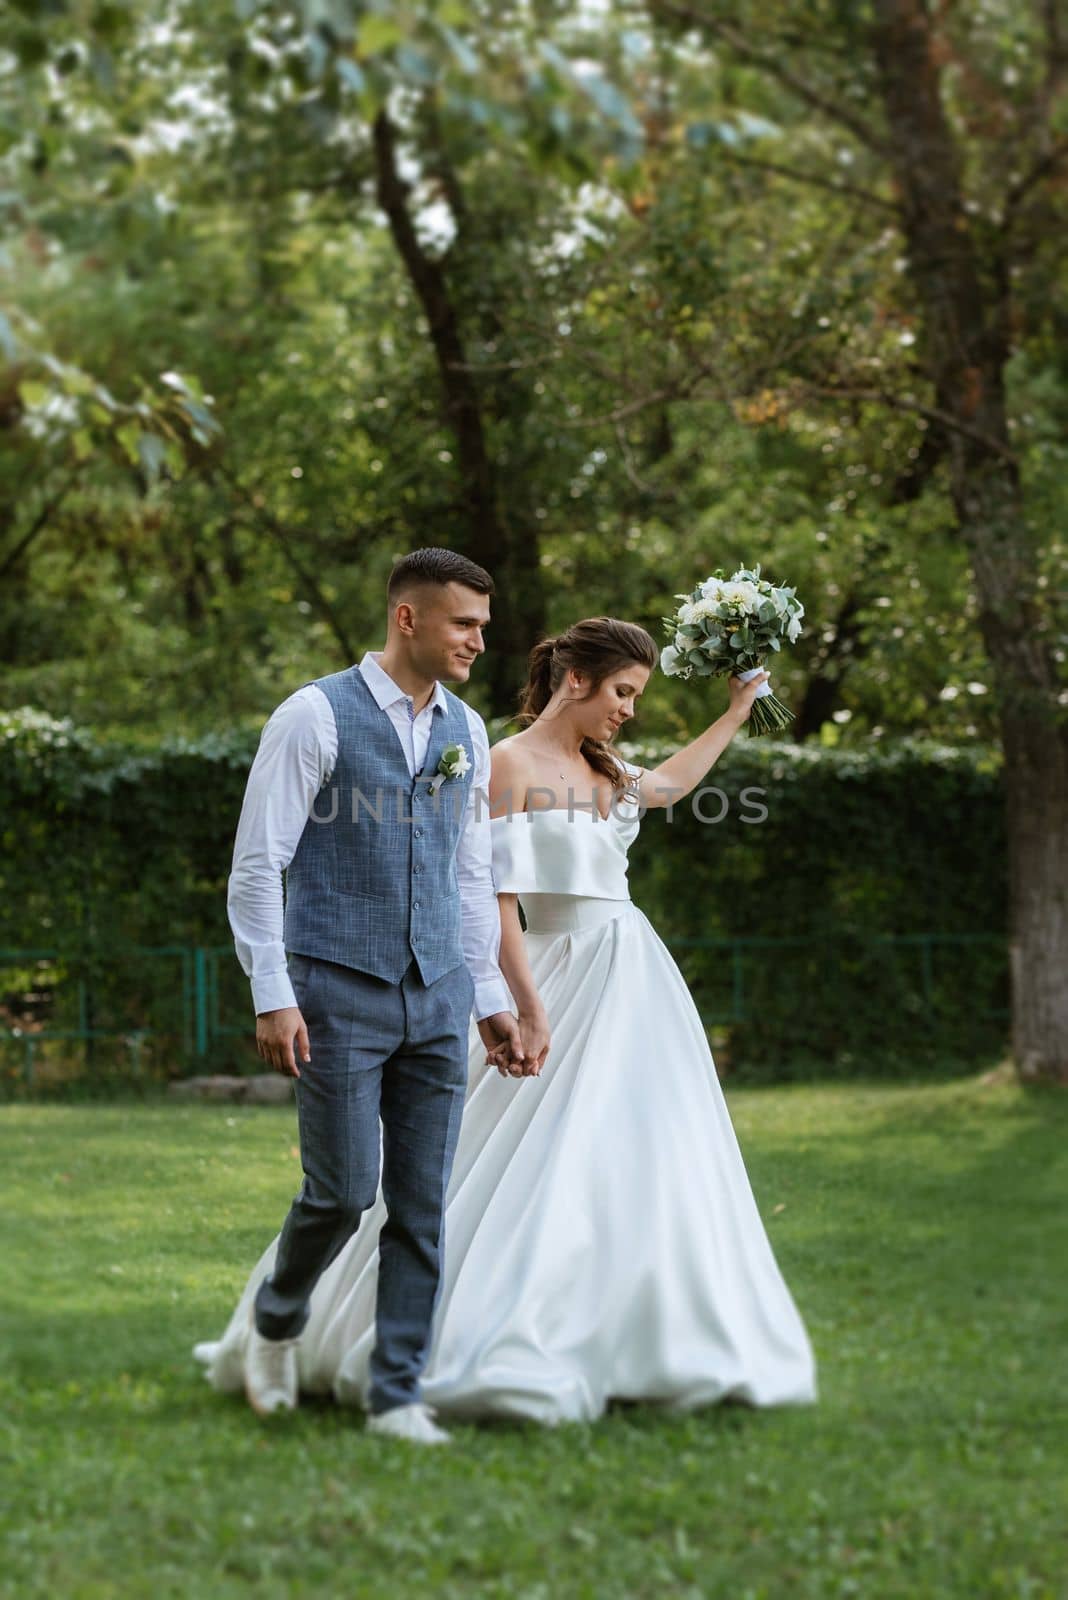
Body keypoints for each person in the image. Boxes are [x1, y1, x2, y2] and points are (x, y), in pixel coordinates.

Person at [197, 615, 818, 1429]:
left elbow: (665, 788)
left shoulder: (603, 766)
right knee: (481, 1161)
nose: (628, 710)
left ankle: (629, 1333)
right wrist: (525, 1002)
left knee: (635, 1152)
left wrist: (737, 713)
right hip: (548, 973)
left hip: (632, 976)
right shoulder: (501, 762)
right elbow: (491, 903)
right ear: (575, 681)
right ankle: (363, 1329)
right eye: (623, 693)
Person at [204, 547, 529, 1446]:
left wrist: (487, 996)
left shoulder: (465, 724)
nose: (477, 642)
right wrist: (273, 994)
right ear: (408, 619)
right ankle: (276, 1321)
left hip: (438, 999)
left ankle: (396, 1395)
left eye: (483, 628)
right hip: (335, 994)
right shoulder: (314, 716)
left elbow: (471, 873)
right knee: (343, 1194)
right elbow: (257, 865)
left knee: (422, 1208)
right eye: (464, 624)